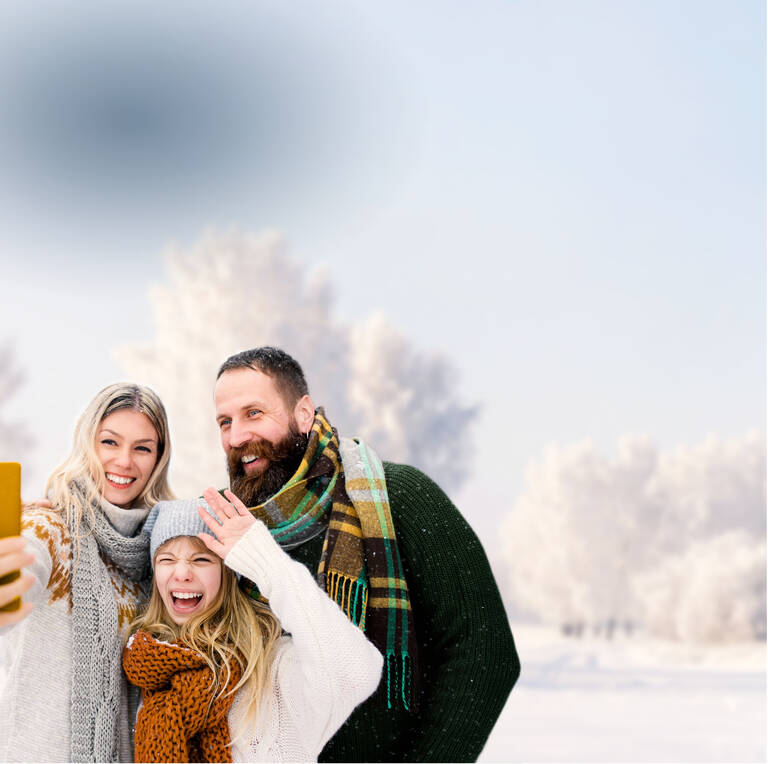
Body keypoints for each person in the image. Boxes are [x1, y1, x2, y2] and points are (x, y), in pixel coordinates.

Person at [212, 346, 520, 762]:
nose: (236, 437)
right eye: (225, 422)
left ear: (303, 413)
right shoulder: (227, 526)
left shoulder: (397, 497)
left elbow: (484, 653)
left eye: (254, 414)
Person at [123, 490, 383, 763]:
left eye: (201, 560)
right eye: (167, 560)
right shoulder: (145, 673)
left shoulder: (271, 670)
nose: (182, 573)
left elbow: (354, 673)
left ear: (227, 575)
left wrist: (268, 564)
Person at [0, 383, 174, 762]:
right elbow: (17, 578)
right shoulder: (49, 530)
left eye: (142, 448)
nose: (125, 461)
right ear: (87, 444)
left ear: (158, 459)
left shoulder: (159, 559)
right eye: (110, 442)